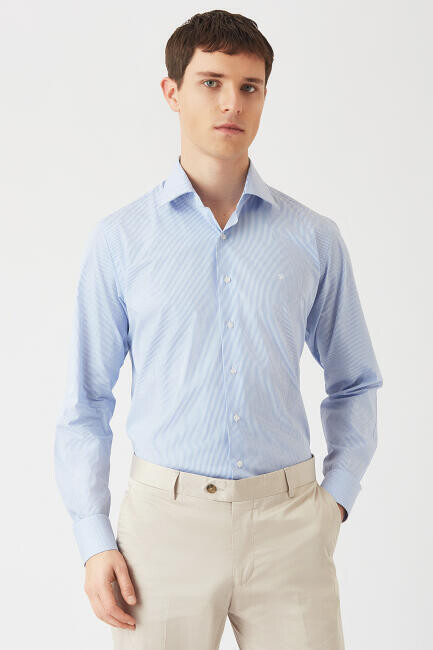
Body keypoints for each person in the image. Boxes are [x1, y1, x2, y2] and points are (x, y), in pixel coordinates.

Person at [54, 9, 383, 649]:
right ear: (172, 91)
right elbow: (85, 402)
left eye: (249, 86)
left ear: (264, 96)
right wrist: (93, 538)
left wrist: (334, 500)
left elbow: (355, 381)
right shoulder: (121, 240)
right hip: (162, 530)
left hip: (291, 526)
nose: (232, 102)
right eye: (211, 82)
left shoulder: (313, 238)